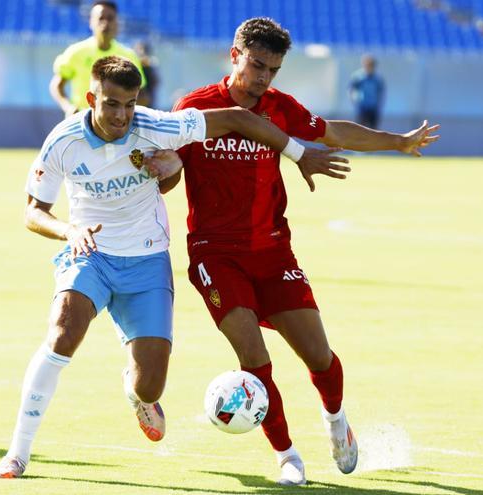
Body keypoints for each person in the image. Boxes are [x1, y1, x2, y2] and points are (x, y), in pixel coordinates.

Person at [0, 55, 348, 479]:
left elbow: (236, 118)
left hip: (146, 262)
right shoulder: (63, 141)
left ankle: (138, 394)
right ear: (91, 99)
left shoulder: (156, 125)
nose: (122, 115)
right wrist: (69, 231)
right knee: (64, 330)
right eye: (112, 104)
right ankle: (17, 454)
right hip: (91, 254)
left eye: (130, 104)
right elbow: (33, 211)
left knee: (150, 384)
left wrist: (296, 152)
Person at [169, 18, 438, 486]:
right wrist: (159, 168)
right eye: (256, 65)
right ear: (234, 55)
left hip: (273, 253)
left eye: (272, 69)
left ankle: (336, 421)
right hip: (216, 255)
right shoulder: (195, 107)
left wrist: (396, 142)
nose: (263, 78)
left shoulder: (279, 107)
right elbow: (172, 166)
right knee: (254, 358)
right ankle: (287, 456)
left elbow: (331, 132)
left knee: (320, 357)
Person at [49, 1, 146, 119]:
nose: (105, 23)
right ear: (91, 22)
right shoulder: (76, 52)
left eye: (110, 18)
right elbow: (56, 86)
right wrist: (68, 106)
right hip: (81, 120)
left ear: (117, 23)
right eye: (101, 18)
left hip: (115, 123)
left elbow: (140, 93)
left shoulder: (128, 56)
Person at [349, 54, 386, 129]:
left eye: (371, 65)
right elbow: (351, 89)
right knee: (361, 130)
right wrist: (354, 100)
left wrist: (379, 104)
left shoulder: (377, 78)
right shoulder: (358, 77)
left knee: (373, 131)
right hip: (362, 107)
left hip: (373, 107)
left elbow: (381, 92)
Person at [134, 41, 160, 108]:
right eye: (139, 49)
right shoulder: (134, 61)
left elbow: (156, 81)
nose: (141, 52)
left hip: (148, 96)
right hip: (137, 96)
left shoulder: (152, 63)